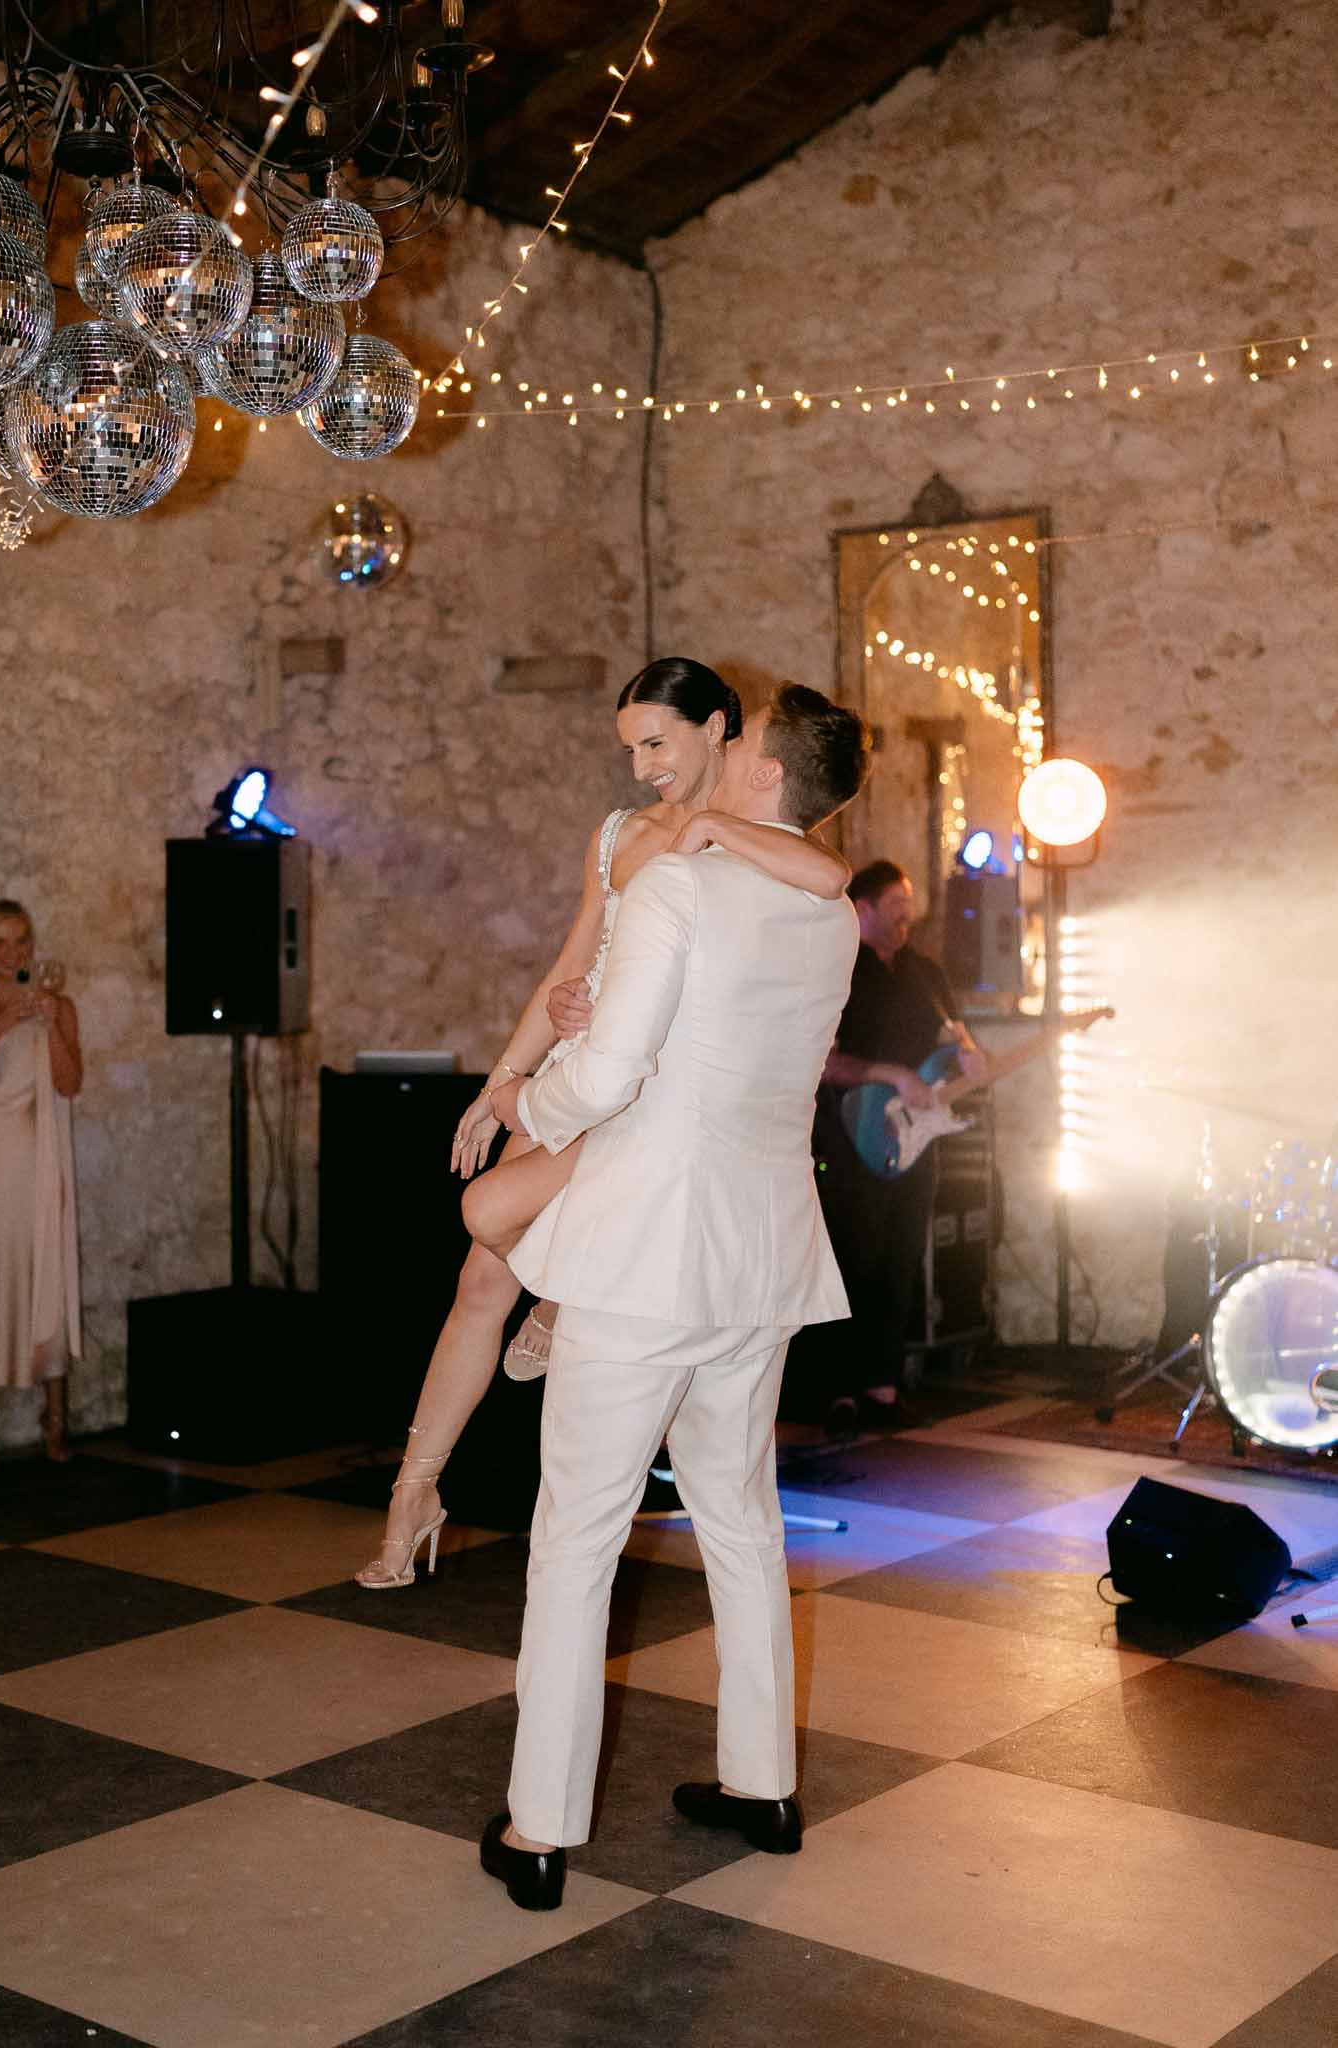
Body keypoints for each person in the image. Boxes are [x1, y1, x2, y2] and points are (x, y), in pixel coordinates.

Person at [478, 682, 870, 1911]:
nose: (723, 753)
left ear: (761, 775)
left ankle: (539, 1828)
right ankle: (761, 1785)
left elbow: (600, 1077)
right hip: (757, 1258)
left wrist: (524, 1113)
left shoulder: (680, 887)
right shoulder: (832, 920)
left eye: (741, 741)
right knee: (743, 1524)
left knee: (578, 1538)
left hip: (648, 1255)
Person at [354, 659, 849, 1588]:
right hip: (584, 1070)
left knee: (496, 1216)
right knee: (475, 1283)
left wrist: (587, 1034)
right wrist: (504, 1076)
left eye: (657, 743)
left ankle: (561, 1298)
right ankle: (413, 1493)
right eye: (630, 748)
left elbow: (832, 873)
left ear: (719, 730)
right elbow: (570, 962)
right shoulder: (620, 834)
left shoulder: (745, 841)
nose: (642, 768)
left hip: (651, 1096)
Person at [811, 859, 986, 1432]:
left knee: (901, 1258)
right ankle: (835, 1390)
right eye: (895, 907)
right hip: (848, 1136)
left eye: (908, 906)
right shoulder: (833, 971)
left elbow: (954, 1036)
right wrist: (891, 1074)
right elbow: (823, 1062)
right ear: (862, 910)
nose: (907, 916)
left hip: (914, 1139)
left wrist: (968, 1052)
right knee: (849, 1260)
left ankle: (882, 1388)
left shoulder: (925, 973)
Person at [0, 899, 83, 1471]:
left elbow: (69, 1084)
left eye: (21, 942)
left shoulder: (57, 1005)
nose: (12, 953)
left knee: (47, 1277)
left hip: (38, 1163)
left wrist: (50, 1026)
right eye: (1, 943)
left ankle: (55, 1417)